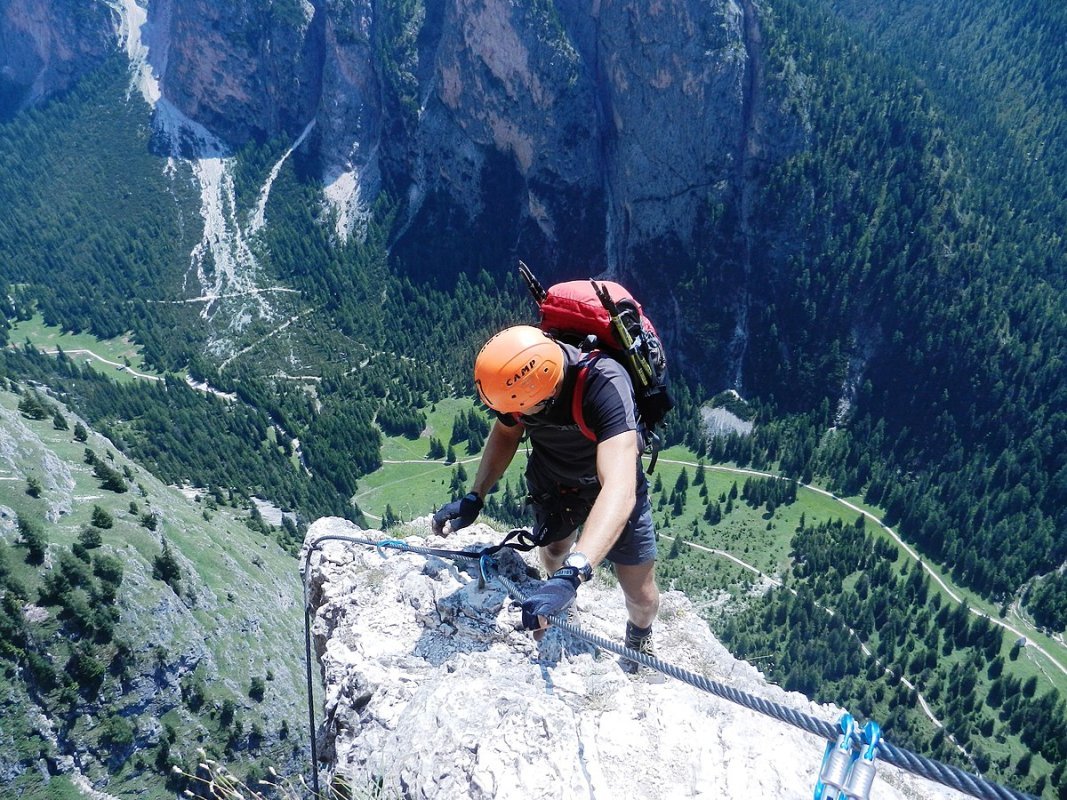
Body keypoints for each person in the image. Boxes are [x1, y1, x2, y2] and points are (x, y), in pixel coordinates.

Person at [431, 324, 659, 669]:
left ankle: (640, 638)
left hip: (612, 484)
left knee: (641, 596)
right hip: (554, 481)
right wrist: (474, 497)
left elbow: (619, 488)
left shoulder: (604, 385)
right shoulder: (521, 386)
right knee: (553, 552)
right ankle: (562, 605)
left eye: (520, 411)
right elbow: (505, 434)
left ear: (544, 392)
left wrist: (575, 573)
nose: (514, 417)